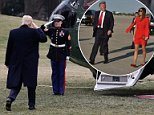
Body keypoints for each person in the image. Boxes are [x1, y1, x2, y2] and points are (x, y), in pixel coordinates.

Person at [5, 15, 47, 111]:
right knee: (31, 84)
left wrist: (7, 62)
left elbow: (9, 48)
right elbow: (44, 38)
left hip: (16, 61)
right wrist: (37, 28)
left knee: (16, 82)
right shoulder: (34, 32)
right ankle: (31, 105)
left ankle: (10, 98)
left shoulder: (13, 32)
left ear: (22, 22)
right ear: (31, 23)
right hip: (30, 62)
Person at [41, 14, 71, 96]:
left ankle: (61, 91)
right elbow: (42, 30)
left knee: (61, 73)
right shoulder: (51, 30)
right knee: (54, 73)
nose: (56, 23)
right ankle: (55, 91)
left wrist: (68, 55)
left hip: (62, 53)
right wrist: (44, 25)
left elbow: (69, 44)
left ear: (61, 22)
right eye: (55, 22)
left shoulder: (65, 31)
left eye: (58, 21)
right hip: (53, 53)